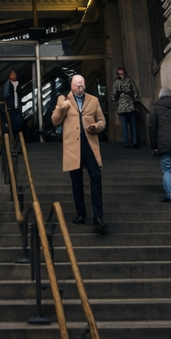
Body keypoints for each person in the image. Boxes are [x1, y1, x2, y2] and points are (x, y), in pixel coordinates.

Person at [51, 73, 107, 234]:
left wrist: (97, 126)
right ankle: (81, 214)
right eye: (77, 84)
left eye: (82, 83)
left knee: (96, 177)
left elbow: (102, 121)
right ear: (72, 85)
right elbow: (54, 121)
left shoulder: (93, 100)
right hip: (72, 147)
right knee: (77, 183)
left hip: (90, 145)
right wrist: (63, 108)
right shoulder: (64, 100)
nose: (80, 86)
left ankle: (98, 217)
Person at [111, 67, 141, 149]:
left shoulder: (122, 82)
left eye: (122, 73)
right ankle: (130, 142)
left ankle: (131, 142)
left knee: (130, 125)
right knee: (128, 126)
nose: (121, 75)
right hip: (125, 106)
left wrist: (134, 99)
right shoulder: (122, 82)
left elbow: (113, 95)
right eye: (120, 74)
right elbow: (135, 92)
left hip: (126, 106)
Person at [2, 69, 23, 135]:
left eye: (14, 73)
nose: (13, 75)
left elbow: (21, 93)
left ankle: (19, 136)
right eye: (12, 73)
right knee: (12, 123)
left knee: (19, 123)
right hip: (10, 108)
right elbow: (6, 95)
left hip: (18, 107)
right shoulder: (7, 84)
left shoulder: (19, 83)